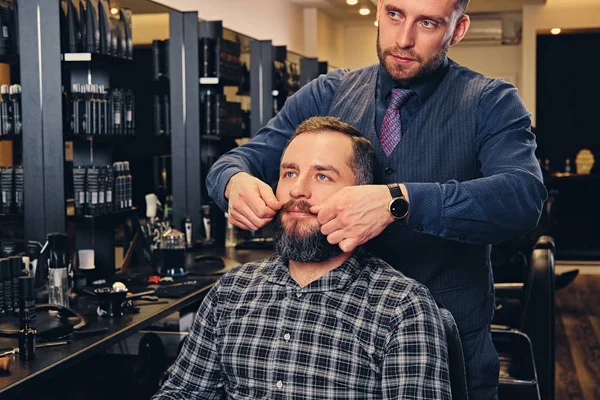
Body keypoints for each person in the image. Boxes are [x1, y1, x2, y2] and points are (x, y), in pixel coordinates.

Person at [206, 1, 548, 398]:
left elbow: (522, 196)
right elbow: (240, 159)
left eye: (427, 23)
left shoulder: (490, 102)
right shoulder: (329, 92)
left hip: (450, 356)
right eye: (395, 15)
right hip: (333, 355)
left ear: (457, 30)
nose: (403, 39)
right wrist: (234, 181)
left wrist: (399, 201)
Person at [154, 117, 451, 399]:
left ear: (360, 196)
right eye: (290, 173)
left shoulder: (401, 307)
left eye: (322, 176)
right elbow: (183, 392)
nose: (298, 189)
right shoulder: (231, 292)